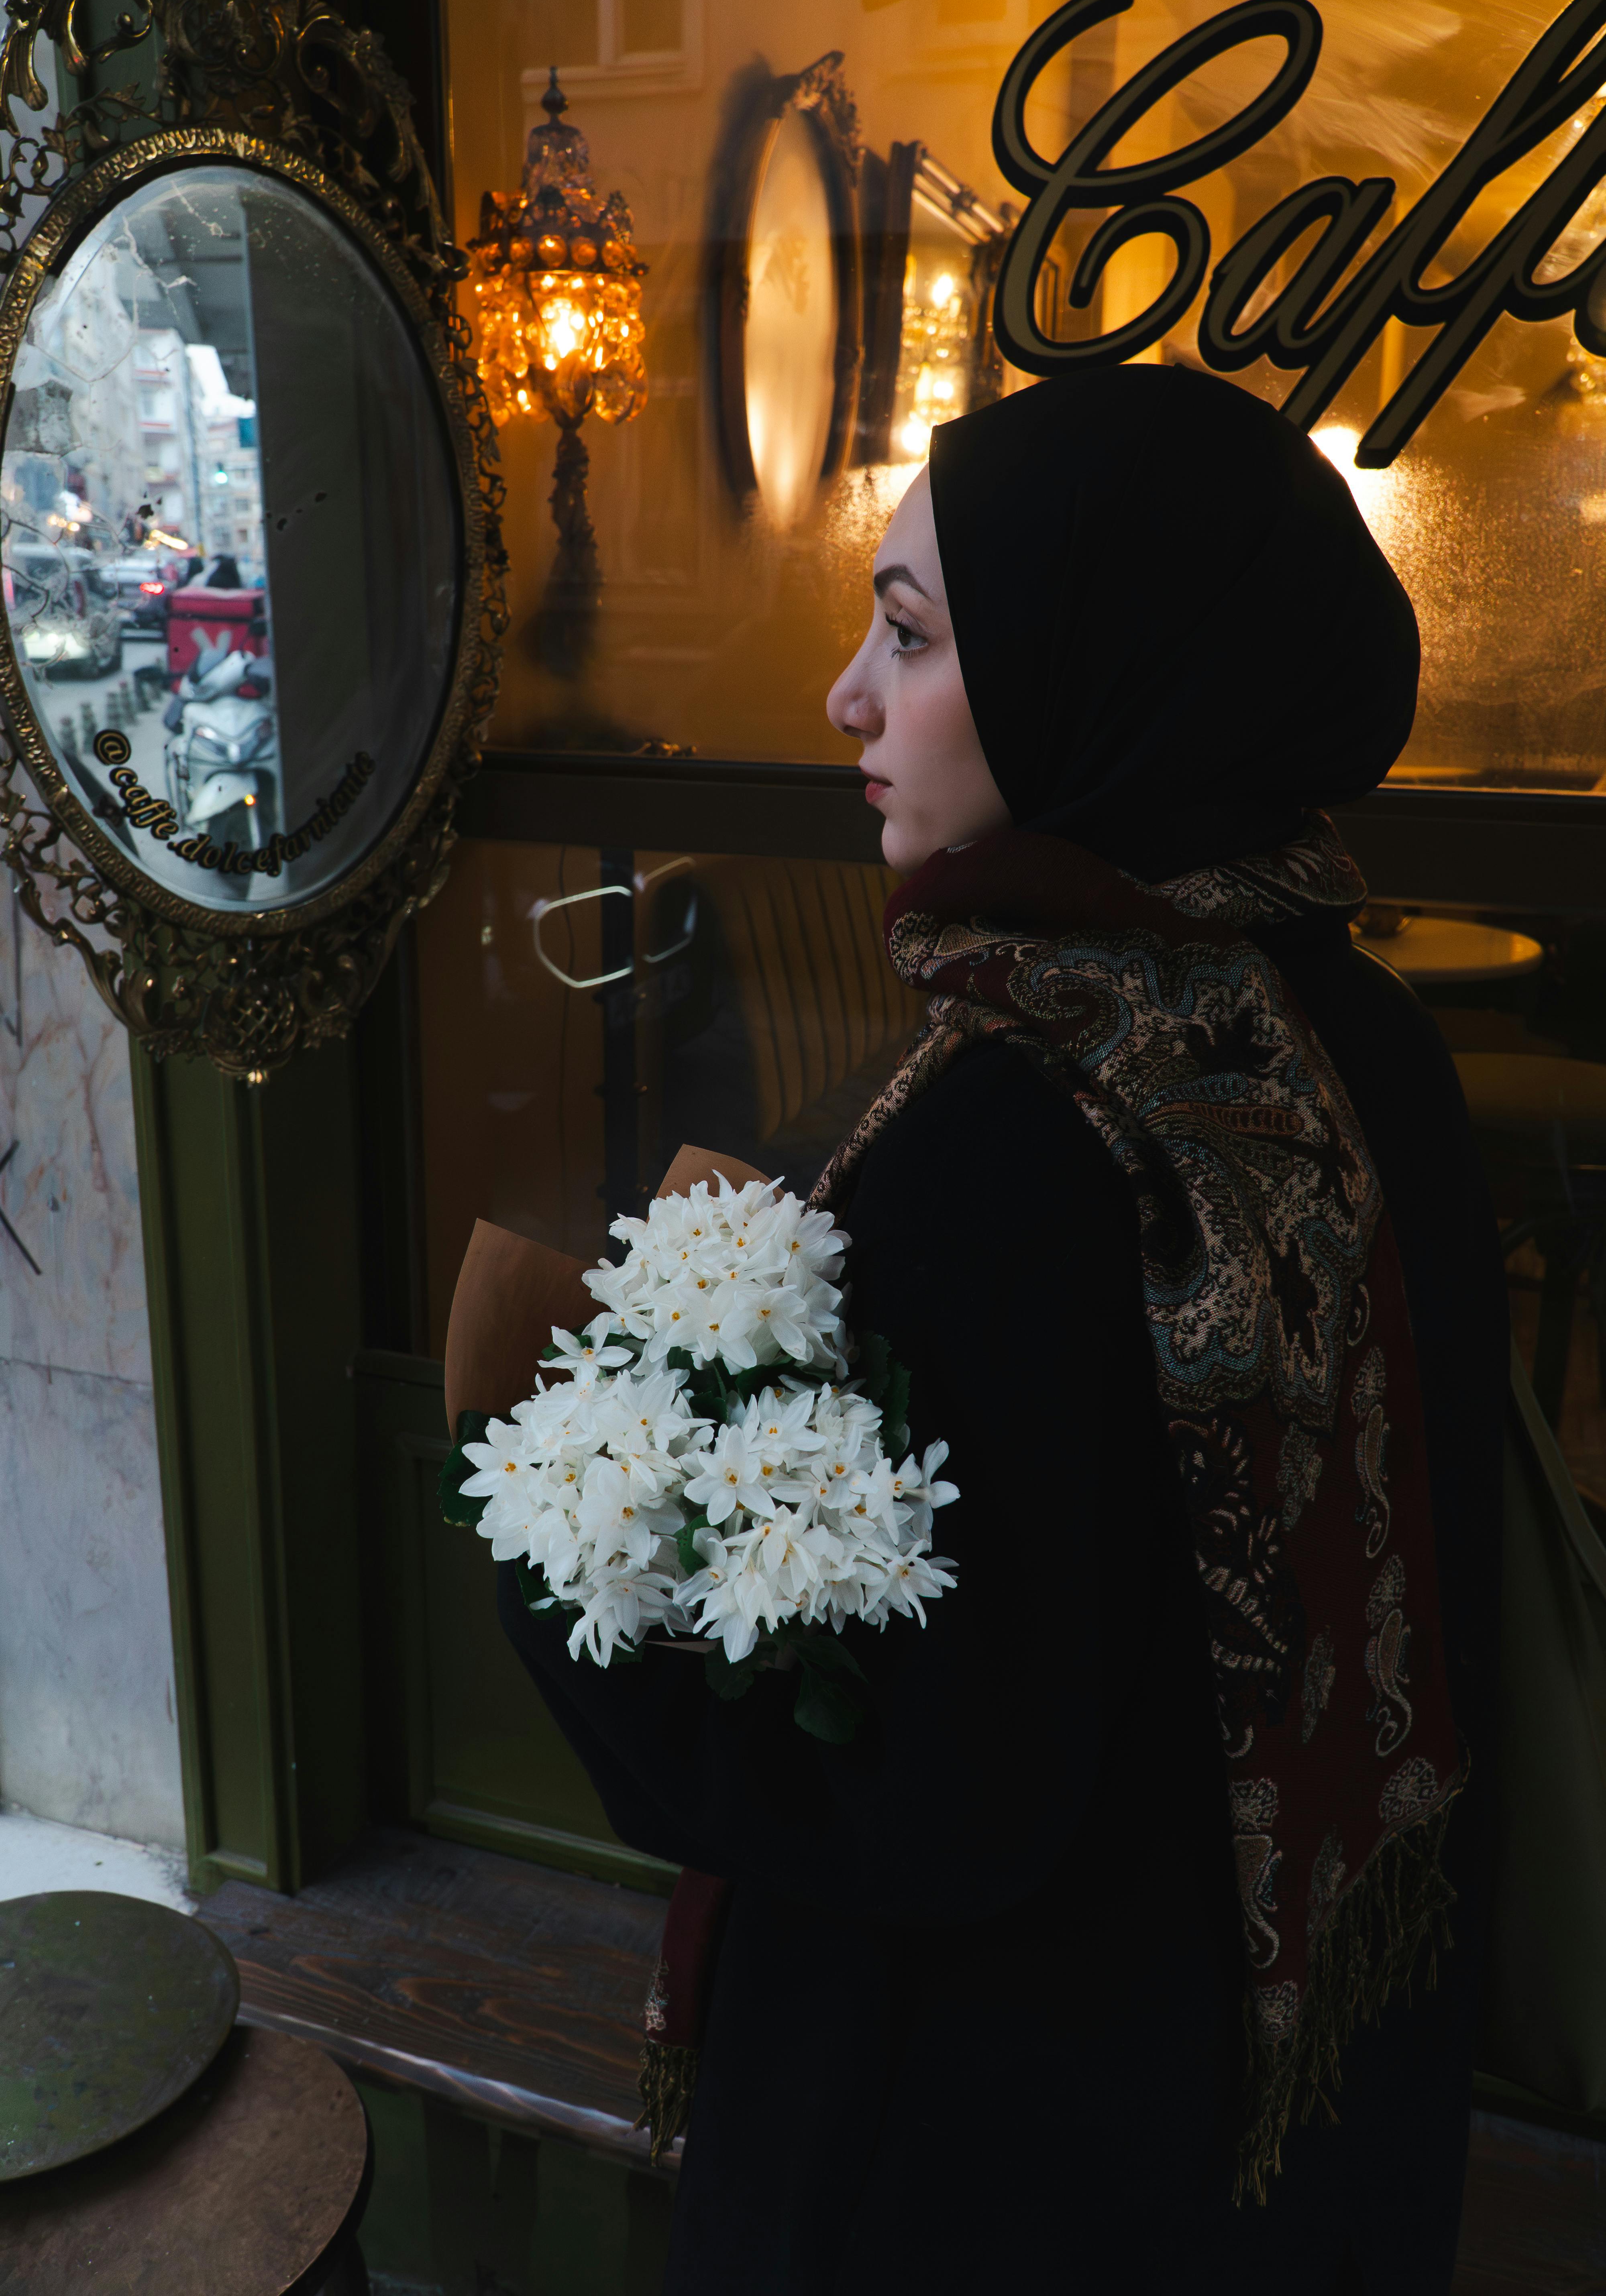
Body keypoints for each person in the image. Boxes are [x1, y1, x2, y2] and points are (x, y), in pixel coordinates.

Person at [498, 366, 1506, 2293]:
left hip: (995, 2162)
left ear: (1093, 666)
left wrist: (564, 1569)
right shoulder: (1359, 1035)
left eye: (910, 636)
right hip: (1298, 2120)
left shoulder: (1027, 1132)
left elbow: (923, 1800)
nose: (845, 700)